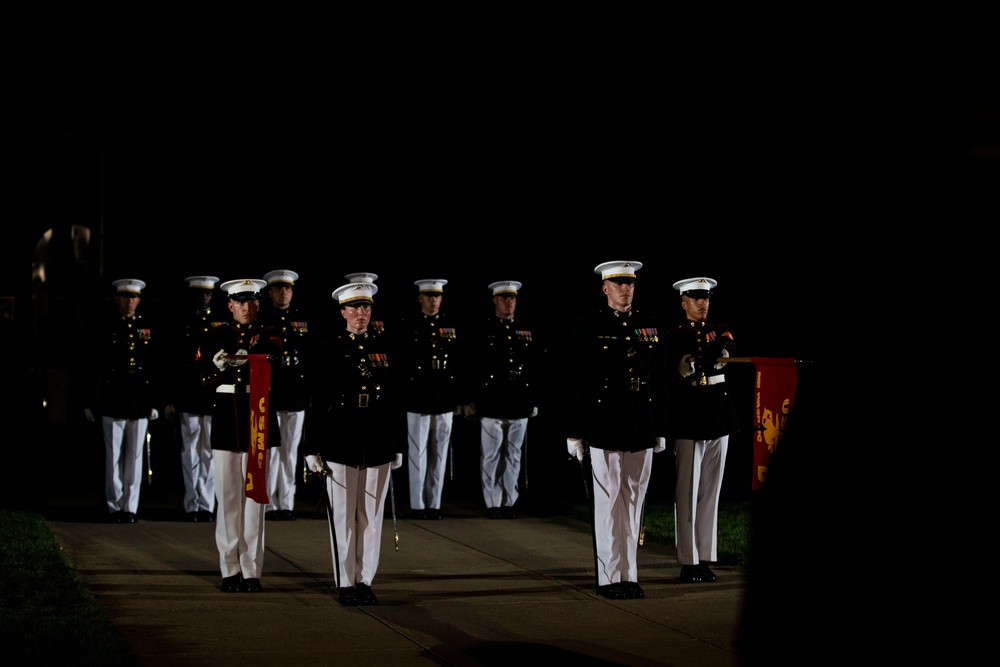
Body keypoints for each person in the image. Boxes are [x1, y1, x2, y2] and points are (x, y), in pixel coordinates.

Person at [566, 261, 668, 600]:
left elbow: (659, 380)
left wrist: (659, 426)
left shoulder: (647, 325)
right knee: (608, 502)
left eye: (630, 283)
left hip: (640, 422)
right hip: (604, 422)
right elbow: (577, 382)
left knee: (634, 502)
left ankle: (629, 574)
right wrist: (574, 432)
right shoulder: (590, 325)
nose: (626, 289)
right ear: (605, 288)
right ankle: (609, 577)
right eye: (618, 283)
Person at [304, 281, 403, 606]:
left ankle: (365, 580)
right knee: (344, 517)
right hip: (341, 437)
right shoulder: (330, 349)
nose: (361, 313)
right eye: (355, 308)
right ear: (343, 312)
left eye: (366, 307)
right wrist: (310, 447)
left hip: (377, 437)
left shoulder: (385, 345)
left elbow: (395, 399)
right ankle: (345, 581)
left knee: (371, 518)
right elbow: (317, 400)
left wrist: (398, 444)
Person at [196, 278, 282, 593]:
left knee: (255, 499)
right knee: (229, 497)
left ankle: (251, 569)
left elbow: (280, 369)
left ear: (258, 304)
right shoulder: (215, 335)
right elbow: (202, 375)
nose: (246, 308)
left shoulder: (271, 336)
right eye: (240, 302)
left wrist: (235, 362)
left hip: (258, 420)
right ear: (230, 305)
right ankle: (229, 568)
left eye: (252, 302)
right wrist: (228, 366)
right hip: (227, 420)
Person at [663, 276, 740, 584]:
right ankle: (688, 560)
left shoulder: (719, 331)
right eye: (696, 298)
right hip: (690, 415)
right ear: (684, 303)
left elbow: (728, 343)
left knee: (710, 491)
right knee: (689, 491)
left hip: (718, 413)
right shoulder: (674, 335)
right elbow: (665, 368)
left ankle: (705, 555)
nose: (702, 303)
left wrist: (720, 351)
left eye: (705, 298)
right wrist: (676, 369)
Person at [83, 278, 162, 524]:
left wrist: (155, 401)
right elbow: (93, 364)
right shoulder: (105, 326)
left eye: (133, 297)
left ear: (139, 300)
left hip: (139, 397)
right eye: (125, 297)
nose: (129, 301)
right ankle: (114, 505)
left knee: (135, 456)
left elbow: (155, 367)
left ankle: (130, 507)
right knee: (113, 455)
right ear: (117, 299)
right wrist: (89, 401)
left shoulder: (146, 327)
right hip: (113, 396)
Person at [398, 279, 471, 520]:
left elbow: (460, 365)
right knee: (417, 453)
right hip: (417, 396)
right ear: (420, 298)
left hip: (444, 397)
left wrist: (462, 398)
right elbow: (402, 364)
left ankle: (435, 504)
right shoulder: (409, 325)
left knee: (439, 455)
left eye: (437, 296)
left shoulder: (450, 325)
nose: (433, 300)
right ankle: (418, 505)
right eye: (429, 296)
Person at [469, 280, 541, 519]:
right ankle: (492, 502)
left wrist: (534, 399)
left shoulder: (525, 329)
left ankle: (509, 501)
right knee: (490, 455)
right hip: (492, 400)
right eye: (504, 298)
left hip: (519, 400)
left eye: (512, 298)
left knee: (513, 454)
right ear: (495, 301)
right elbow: (474, 367)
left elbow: (534, 367)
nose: (509, 302)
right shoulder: (485, 329)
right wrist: (473, 399)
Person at [163, 275, 225, 522]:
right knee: (190, 451)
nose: (203, 298)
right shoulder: (181, 322)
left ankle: (206, 504)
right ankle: (192, 504)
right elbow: (171, 362)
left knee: (209, 452)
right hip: (188, 393)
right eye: (199, 294)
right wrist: (170, 397)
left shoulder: (220, 324)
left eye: (207, 294)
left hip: (210, 394)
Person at [258, 269, 310, 522]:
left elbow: (309, 360)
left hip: (295, 394)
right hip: (270, 393)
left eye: (287, 288)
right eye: (278, 289)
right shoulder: (261, 320)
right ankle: (267, 503)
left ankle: (286, 503)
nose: (283, 293)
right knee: (269, 452)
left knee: (290, 453)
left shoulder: (301, 320)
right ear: (270, 292)